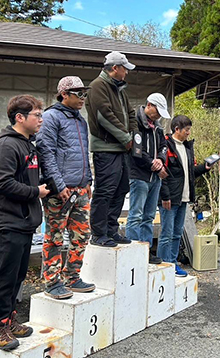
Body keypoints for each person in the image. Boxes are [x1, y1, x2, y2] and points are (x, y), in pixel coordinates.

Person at [0, 95, 49, 351]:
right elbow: (0, 182)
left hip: (24, 222)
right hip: (7, 222)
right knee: (5, 276)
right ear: (20, 117)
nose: (41, 119)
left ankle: (10, 319)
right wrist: (35, 192)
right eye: (37, 114)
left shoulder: (28, 145)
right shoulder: (6, 146)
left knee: (18, 275)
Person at [37, 76, 95, 300]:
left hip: (81, 189)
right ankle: (52, 281)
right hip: (59, 191)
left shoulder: (81, 120)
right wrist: (59, 185)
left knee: (82, 234)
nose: (82, 98)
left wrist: (88, 181)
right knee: (55, 235)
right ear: (63, 94)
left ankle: (72, 277)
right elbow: (45, 152)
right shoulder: (50, 117)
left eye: (84, 93)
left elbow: (84, 153)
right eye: (78, 93)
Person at [85, 51, 138, 247]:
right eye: (125, 69)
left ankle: (111, 230)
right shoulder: (98, 86)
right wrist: (126, 137)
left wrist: (134, 136)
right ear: (115, 68)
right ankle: (98, 233)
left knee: (121, 188)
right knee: (105, 190)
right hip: (106, 148)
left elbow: (131, 114)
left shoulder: (120, 90)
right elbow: (103, 115)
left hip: (122, 148)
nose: (126, 73)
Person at [158, 115, 211, 277]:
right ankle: (163, 265)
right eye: (186, 130)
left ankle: (173, 263)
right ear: (177, 129)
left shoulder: (187, 148)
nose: (188, 133)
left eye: (189, 130)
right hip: (169, 198)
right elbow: (162, 173)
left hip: (184, 198)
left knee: (177, 233)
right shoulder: (166, 146)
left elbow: (190, 173)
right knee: (166, 233)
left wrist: (205, 167)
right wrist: (165, 196)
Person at [126, 93, 170, 263]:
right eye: (157, 111)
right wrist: (152, 162)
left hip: (155, 177)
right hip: (138, 175)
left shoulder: (157, 127)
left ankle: (145, 251)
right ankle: (133, 252)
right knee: (136, 214)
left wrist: (160, 160)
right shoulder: (136, 122)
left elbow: (164, 146)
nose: (158, 116)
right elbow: (136, 150)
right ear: (149, 105)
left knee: (149, 216)